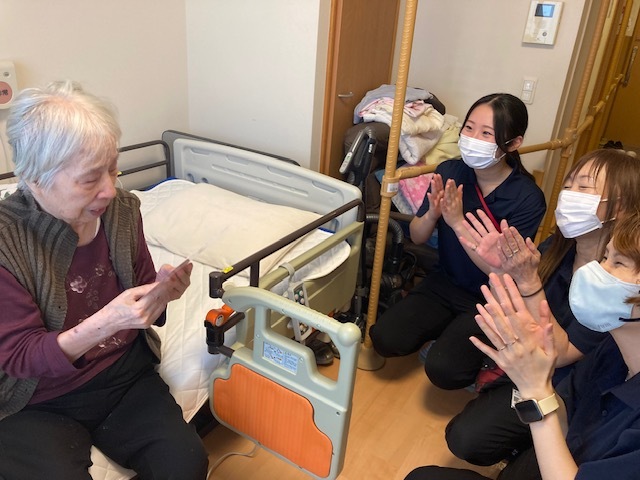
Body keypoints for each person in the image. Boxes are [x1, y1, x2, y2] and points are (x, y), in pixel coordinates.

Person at [0, 81, 209, 479]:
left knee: (185, 463)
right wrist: (108, 321)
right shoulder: (6, 243)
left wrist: (161, 294)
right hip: (37, 399)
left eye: (113, 169)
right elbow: (21, 358)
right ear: (34, 178)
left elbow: (142, 291)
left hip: (123, 375)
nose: (110, 190)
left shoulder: (123, 211)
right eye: (89, 179)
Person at [403, 211, 640, 479]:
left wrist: (535, 388)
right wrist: (535, 382)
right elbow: (566, 420)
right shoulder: (611, 351)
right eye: (605, 258)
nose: (597, 271)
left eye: (618, 263)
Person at [445, 149, 640, 468]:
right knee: (447, 361)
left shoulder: (612, 290)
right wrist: (503, 267)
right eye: (569, 184)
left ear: (620, 206)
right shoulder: (561, 246)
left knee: (466, 437)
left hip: (556, 379)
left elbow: (559, 352)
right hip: (528, 353)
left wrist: (528, 282)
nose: (569, 195)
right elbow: (519, 291)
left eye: (584, 187)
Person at [369, 93, 546, 389]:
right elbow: (417, 236)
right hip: (445, 281)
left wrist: (457, 222)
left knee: (444, 371)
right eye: (469, 128)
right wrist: (432, 214)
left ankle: (459, 347)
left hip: (491, 297)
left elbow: (504, 274)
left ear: (513, 143)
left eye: (486, 133)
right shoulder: (450, 171)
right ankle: (445, 334)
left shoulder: (527, 198)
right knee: (384, 339)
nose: (473, 138)